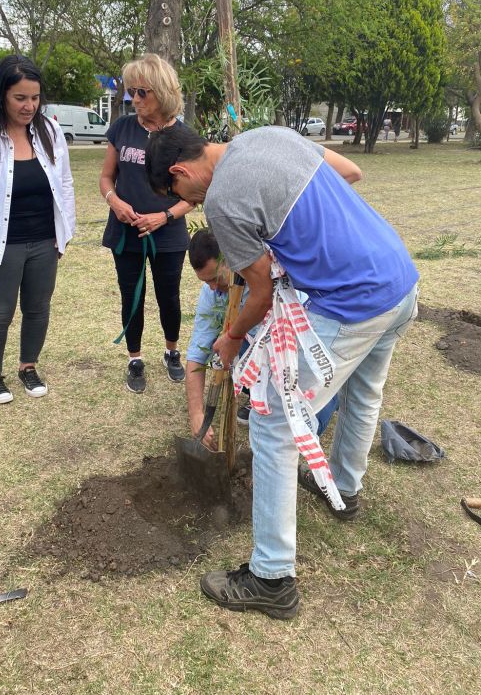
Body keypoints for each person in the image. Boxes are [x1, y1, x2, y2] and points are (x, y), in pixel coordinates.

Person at [146, 124, 419, 620]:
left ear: (179, 171)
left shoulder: (223, 201)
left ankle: (272, 578)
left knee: (273, 423)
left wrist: (230, 339)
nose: (184, 202)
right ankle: (344, 488)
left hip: (353, 300)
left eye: (176, 194)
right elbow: (350, 173)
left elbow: (261, 291)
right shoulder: (270, 137)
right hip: (398, 280)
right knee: (363, 392)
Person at [0, 55, 76, 404]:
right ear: (2, 95)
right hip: (0, 243)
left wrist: (63, 233)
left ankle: (28, 366)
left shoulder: (49, 131)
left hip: (44, 240)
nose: (29, 106)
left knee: (38, 307)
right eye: (20, 98)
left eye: (35, 98)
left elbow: (64, 184)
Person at [186, 229, 339, 444]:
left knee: (303, 427)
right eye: (205, 281)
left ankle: (333, 395)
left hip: (296, 352)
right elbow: (197, 354)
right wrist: (196, 414)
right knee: (228, 345)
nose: (212, 287)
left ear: (232, 260)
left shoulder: (277, 277)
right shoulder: (213, 293)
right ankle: (261, 397)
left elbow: (304, 343)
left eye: (214, 278)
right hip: (256, 351)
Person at [99, 53, 194, 394]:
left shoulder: (184, 137)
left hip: (167, 234)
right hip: (126, 232)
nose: (135, 99)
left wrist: (164, 216)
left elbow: (194, 195)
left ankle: (171, 351)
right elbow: (107, 178)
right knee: (132, 297)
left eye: (143, 92)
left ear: (163, 93)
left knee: (168, 296)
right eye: (131, 92)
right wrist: (116, 203)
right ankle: (134, 358)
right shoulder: (123, 128)